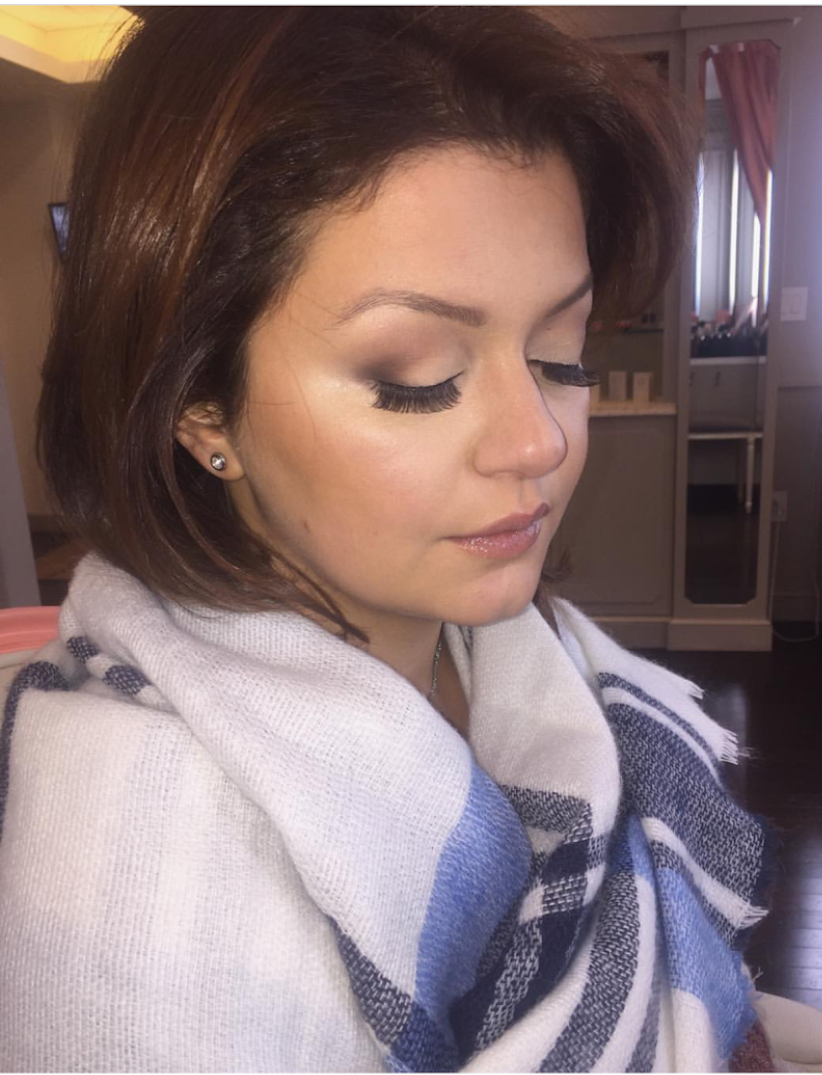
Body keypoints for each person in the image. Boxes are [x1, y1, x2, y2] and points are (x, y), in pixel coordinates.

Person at [0, 8, 790, 1071]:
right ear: (200, 405)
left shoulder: (518, 646)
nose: (536, 442)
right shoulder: (137, 867)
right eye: (416, 377)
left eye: (562, 355)